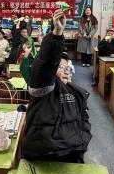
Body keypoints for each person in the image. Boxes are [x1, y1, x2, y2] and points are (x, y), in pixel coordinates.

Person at [22, 9, 92, 163]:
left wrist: (82, 142)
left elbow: (84, 122)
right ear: (53, 70)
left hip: (73, 153)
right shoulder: (43, 87)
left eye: (68, 68)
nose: (66, 71)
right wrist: (57, 34)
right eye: (60, 67)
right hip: (44, 155)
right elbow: (45, 64)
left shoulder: (78, 93)